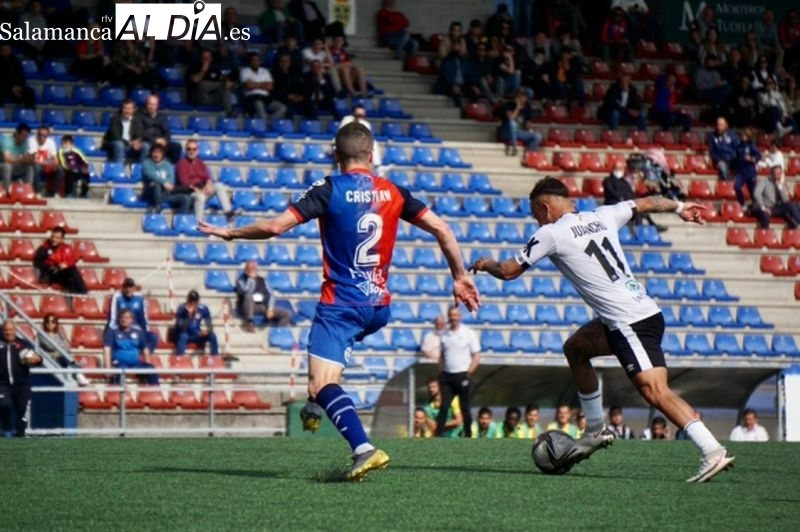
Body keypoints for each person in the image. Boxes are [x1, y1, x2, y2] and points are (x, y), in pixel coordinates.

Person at [198, 121, 479, 481]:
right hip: (377, 307)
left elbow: (274, 227)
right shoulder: (394, 191)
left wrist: (231, 232)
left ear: (336, 155)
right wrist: (459, 276)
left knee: (321, 383)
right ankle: (316, 405)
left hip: (341, 305)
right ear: (371, 154)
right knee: (324, 376)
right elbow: (443, 229)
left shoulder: (330, 189)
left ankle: (363, 449)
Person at [469, 176, 735, 482]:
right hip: (636, 313)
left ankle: (712, 450)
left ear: (544, 208)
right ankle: (595, 430)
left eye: (535, 214)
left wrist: (486, 264)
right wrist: (680, 208)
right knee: (576, 349)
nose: (536, 221)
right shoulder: (603, 215)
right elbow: (647, 202)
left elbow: (509, 271)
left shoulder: (550, 233)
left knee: (654, 391)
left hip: (629, 321)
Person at [435, 305, 480, 438]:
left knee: (464, 407)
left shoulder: (468, 333)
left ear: (460, 316)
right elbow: (442, 356)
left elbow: (476, 355)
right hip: (447, 376)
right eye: (451, 315)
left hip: (462, 374)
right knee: (444, 406)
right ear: (448, 316)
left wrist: (468, 372)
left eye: (455, 315)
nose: (453, 318)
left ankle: (468, 435)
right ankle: (439, 435)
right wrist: (441, 372)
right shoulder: (444, 334)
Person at [175, 139, 235, 223]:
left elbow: (207, 177)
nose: (191, 151)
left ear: (197, 151)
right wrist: (197, 190)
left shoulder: (200, 163)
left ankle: (228, 213)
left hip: (202, 189)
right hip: (190, 193)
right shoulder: (181, 164)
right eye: (189, 149)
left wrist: (208, 184)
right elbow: (184, 182)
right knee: (200, 197)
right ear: (186, 150)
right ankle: (199, 222)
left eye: (194, 149)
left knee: (219, 186)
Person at [0, 319, 42, 437]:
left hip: (21, 384)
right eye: (6, 330)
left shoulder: (24, 344)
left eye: (11, 330)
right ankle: (6, 430)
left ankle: (20, 435)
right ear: (2, 331)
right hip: (3, 384)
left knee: (22, 410)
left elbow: (37, 359)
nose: (8, 332)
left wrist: (37, 359)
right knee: (4, 405)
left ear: (15, 330)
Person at [103, 309, 159, 386]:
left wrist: (147, 367)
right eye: (122, 317)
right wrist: (108, 368)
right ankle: (119, 390)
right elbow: (107, 349)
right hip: (119, 363)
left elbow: (145, 350)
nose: (123, 320)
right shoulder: (112, 331)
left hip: (135, 363)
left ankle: (155, 390)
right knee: (121, 370)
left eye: (126, 318)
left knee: (151, 368)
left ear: (131, 320)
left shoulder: (138, 332)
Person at [235, 260, 293, 332]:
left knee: (287, 314)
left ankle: (278, 332)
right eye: (249, 268)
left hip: (263, 305)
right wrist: (251, 279)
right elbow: (245, 291)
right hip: (249, 306)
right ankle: (249, 322)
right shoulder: (241, 280)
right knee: (248, 296)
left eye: (253, 268)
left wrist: (270, 308)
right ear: (246, 270)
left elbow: (270, 295)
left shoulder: (263, 280)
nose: (252, 270)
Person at [107, 278, 159, 355]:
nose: (128, 289)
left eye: (130, 287)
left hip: (137, 329)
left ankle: (141, 356)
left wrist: (144, 331)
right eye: (126, 287)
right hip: (122, 329)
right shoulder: (117, 297)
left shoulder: (140, 298)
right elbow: (113, 317)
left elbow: (144, 317)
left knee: (153, 337)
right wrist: (113, 330)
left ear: (134, 288)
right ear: (123, 288)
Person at [37, 314, 89, 386]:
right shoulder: (42, 334)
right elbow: (50, 346)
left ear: (56, 323)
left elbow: (67, 346)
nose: (50, 324)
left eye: (53, 321)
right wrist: (61, 346)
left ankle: (78, 375)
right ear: (45, 323)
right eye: (47, 321)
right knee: (67, 358)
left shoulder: (59, 333)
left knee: (67, 357)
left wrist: (60, 347)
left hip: (62, 355)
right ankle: (79, 375)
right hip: (51, 357)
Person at [33, 227, 88, 294]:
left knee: (72, 272)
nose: (54, 239)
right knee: (72, 273)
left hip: (61, 272)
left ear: (62, 239)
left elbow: (72, 260)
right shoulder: (44, 248)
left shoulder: (66, 248)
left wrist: (65, 265)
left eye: (57, 238)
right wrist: (51, 267)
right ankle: (82, 294)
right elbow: (37, 262)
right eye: (53, 237)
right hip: (50, 274)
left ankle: (80, 295)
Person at [141, 144, 191, 215]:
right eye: (154, 152)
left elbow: (171, 180)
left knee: (185, 198)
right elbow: (149, 175)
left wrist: (166, 184)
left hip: (165, 194)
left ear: (162, 154)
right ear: (151, 153)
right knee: (156, 185)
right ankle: (157, 208)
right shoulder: (146, 163)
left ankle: (179, 219)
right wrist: (163, 183)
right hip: (150, 193)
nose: (156, 155)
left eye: (159, 153)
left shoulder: (167, 165)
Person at [240, 52, 287, 124]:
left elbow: (270, 87)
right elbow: (248, 86)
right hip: (252, 97)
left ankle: (268, 122)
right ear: (250, 61)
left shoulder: (265, 71)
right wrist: (264, 84)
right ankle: (265, 125)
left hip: (266, 97)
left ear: (260, 61)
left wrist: (254, 84)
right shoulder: (244, 71)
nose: (255, 62)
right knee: (259, 103)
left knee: (282, 107)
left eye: (257, 60)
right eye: (253, 60)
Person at [186, 49, 233, 115]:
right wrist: (203, 71)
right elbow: (196, 80)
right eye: (203, 58)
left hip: (211, 98)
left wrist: (227, 82)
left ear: (211, 59)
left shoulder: (214, 69)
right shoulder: (193, 68)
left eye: (207, 58)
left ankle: (229, 112)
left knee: (225, 87)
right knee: (202, 84)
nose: (205, 60)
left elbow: (222, 78)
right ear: (200, 58)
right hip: (197, 97)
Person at [752, 165, 800, 229]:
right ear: (772, 174)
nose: (778, 175)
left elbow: (785, 200)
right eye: (776, 173)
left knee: (793, 205)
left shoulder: (781, 184)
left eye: (779, 173)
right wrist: (763, 207)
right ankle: (765, 232)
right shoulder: (764, 181)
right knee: (765, 215)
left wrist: (780, 188)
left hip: (774, 208)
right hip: (763, 207)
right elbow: (756, 194)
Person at [174, 290, 219, 357]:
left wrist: (207, 331)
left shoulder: (203, 308)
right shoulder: (182, 308)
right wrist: (188, 315)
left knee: (212, 335)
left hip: (196, 334)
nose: (193, 304)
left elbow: (210, 325)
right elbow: (181, 328)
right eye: (191, 302)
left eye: (195, 302)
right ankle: (180, 358)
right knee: (183, 336)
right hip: (185, 334)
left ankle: (215, 357)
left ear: (198, 301)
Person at [138, 94, 181, 164]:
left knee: (177, 147)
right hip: (148, 141)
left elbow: (167, 131)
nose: (151, 106)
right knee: (146, 147)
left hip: (160, 142)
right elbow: (141, 132)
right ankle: (142, 166)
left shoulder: (161, 117)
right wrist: (155, 140)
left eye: (153, 104)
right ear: (146, 104)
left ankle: (171, 167)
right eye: (150, 104)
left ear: (157, 106)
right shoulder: (140, 116)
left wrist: (165, 140)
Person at [499, 89, 541, 156]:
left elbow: (528, 124)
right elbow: (511, 118)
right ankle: (514, 147)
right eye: (518, 96)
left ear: (526, 98)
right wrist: (517, 107)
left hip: (519, 133)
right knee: (512, 123)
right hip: (507, 132)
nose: (520, 98)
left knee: (537, 136)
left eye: (522, 96)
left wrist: (529, 131)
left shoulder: (527, 107)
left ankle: (527, 155)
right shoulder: (508, 105)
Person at [102, 99, 144, 163]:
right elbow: (115, 136)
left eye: (129, 109)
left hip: (130, 145)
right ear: (122, 109)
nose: (127, 111)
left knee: (145, 146)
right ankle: (119, 167)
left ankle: (141, 167)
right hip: (115, 143)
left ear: (133, 110)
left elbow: (139, 134)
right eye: (125, 108)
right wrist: (129, 143)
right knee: (119, 144)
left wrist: (137, 142)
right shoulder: (115, 118)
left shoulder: (136, 120)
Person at [0, 43, 36, 110]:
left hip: (15, 87)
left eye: (7, 50)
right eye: (3, 50)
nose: (5, 52)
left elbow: (21, 76)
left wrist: (19, 86)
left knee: (29, 92)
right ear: (0, 51)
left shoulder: (15, 61)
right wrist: (11, 87)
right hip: (3, 87)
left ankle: (29, 113)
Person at [2, 123, 36, 193]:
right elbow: (6, 159)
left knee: (29, 167)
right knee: (7, 166)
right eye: (23, 136)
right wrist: (21, 159)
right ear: (17, 133)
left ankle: (27, 191)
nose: (24, 139)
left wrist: (29, 159)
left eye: (26, 137)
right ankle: (6, 191)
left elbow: (24, 157)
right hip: (2, 166)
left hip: (14, 167)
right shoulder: (6, 141)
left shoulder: (24, 144)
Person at [27, 126, 60, 196]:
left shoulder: (51, 142)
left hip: (47, 165)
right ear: (37, 134)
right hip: (38, 165)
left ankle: (55, 193)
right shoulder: (31, 141)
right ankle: (37, 192)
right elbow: (32, 160)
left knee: (59, 170)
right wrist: (48, 162)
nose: (41, 137)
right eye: (40, 135)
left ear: (47, 135)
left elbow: (56, 160)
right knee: (36, 167)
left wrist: (51, 163)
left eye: (44, 135)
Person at [733, 128, 760, 207]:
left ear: (748, 137)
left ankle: (755, 205)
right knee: (737, 186)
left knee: (753, 191)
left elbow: (758, 156)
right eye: (742, 135)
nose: (742, 137)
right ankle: (741, 203)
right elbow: (736, 158)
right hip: (741, 172)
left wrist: (751, 159)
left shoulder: (752, 146)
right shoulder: (739, 146)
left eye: (744, 136)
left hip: (750, 171)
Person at [708, 116, 740, 181]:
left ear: (726, 125)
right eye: (718, 124)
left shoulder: (732, 134)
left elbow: (738, 147)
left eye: (721, 125)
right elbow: (712, 151)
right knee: (723, 166)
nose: (719, 127)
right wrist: (718, 160)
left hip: (732, 159)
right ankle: (728, 182)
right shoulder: (713, 136)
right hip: (720, 160)